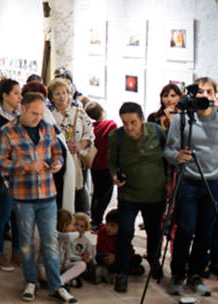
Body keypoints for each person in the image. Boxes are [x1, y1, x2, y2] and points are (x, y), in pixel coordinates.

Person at [0, 92, 76, 303]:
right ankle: (31, 281)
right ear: (22, 109)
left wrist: (57, 164)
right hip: (23, 195)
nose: (37, 117)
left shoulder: (48, 128)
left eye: (40, 114)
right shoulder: (7, 131)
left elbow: (58, 154)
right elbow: (0, 162)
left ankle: (57, 285)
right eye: (33, 113)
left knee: (50, 241)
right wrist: (26, 166)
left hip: (47, 194)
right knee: (26, 243)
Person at [165, 77, 218, 296]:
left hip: (213, 182)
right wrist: (177, 156)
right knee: (185, 229)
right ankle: (178, 274)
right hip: (188, 181)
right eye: (200, 91)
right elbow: (168, 151)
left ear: (215, 96)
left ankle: (196, 274)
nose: (204, 95)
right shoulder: (183, 120)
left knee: (206, 231)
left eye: (209, 91)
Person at [108, 102, 166, 292]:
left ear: (142, 119)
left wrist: (170, 184)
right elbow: (112, 163)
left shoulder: (157, 132)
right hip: (129, 194)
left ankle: (154, 261)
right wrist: (116, 176)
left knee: (154, 231)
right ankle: (122, 272)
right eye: (125, 123)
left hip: (155, 194)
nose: (129, 127)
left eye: (133, 122)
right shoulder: (116, 137)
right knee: (125, 232)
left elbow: (168, 160)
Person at [0, 79, 22, 272]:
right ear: (5, 95)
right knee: (3, 213)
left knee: (18, 215)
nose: (19, 96)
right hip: (4, 172)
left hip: (21, 172)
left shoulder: (21, 114)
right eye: (16, 93)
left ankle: (17, 250)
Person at [48, 78, 94, 213]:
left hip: (77, 160)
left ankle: (79, 222)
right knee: (60, 193)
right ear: (52, 97)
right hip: (58, 160)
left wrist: (81, 144)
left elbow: (90, 132)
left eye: (64, 93)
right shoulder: (49, 116)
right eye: (57, 94)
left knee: (79, 192)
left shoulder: (79, 113)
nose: (62, 97)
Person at [85, 101, 117, 230]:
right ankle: (97, 221)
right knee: (105, 195)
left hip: (94, 165)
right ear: (102, 110)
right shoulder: (110, 125)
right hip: (107, 165)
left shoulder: (90, 128)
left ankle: (94, 219)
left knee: (97, 193)